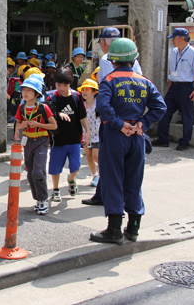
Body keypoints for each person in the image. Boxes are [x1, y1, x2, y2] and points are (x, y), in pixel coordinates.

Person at [90, 38, 166, 244]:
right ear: (133, 59)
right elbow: (160, 107)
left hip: (116, 135)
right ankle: (133, 229)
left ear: (112, 60)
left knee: (113, 179)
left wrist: (118, 123)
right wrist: (143, 123)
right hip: (137, 136)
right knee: (134, 180)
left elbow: (103, 106)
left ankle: (114, 230)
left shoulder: (108, 80)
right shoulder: (145, 81)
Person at [153, 28, 194, 151]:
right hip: (174, 86)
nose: (172, 41)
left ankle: (185, 141)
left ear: (182, 39)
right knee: (164, 111)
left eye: (174, 38)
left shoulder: (193, 52)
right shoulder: (174, 51)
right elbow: (172, 71)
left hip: (186, 87)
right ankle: (163, 138)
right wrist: (170, 87)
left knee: (186, 114)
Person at [15, 77, 57, 214]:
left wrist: (38, 125)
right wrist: (21, 127)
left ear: (37, 93)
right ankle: (38, 199)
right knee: (30, 172)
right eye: (23, 90)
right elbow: (18, 124)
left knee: (38, 171)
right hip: (27, 141)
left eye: (29, 90)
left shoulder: (43, 107)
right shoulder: (21, 107)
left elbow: (54, 125)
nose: (25, 93)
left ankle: (44, 199)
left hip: (41, 141)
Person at [47, 67, 90, 202]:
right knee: (55, 167)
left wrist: (88, 131)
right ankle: (55, 189)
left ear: (70, 83)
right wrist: (58, 114)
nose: (62, 87)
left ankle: (71, 179)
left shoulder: (77, 97)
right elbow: (46, 114)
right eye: (59, 84)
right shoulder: (51, 97)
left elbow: (82, 116)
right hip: (57, 139)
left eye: (65, 85)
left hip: (74, 138)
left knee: (75, 165)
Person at [77, 79, 101, 187]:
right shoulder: (82, 105)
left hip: (97, 134)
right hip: (86, 134)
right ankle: (95, 175)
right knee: (89, 155)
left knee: (96, 155)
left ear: (94, 92)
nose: (85, 92)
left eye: (87, 89)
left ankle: (105, 172)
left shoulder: (99, 104)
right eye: (83, 90)